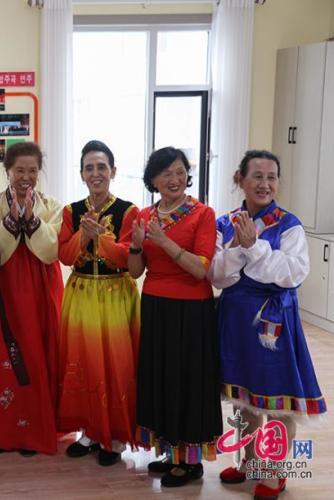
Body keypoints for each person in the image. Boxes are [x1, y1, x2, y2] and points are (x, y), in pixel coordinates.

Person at [208, 150, 326, 500]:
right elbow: (216, 275)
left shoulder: (289, 225)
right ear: (239, 179)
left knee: (276, 400)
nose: (264, 184)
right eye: (257, 176)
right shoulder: (225, 222)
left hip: (272, 324)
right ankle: (248, 462)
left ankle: (274, 474)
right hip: (234, 319)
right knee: (243, 397)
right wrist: (237, 248)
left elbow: (292, 274)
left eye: (271, 177)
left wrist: (254, 247)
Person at [127, 146, 221, 487]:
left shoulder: (203, 214)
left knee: (188, 381)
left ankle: (191, 461)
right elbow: (135, 271)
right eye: (166, 173)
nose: (175, 179)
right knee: (161, 378)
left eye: (180, 171)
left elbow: (200, 269)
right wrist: (136, 245)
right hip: (155, 305)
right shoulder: (144, 215)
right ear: (153, 179)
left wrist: (164, 241)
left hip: (191, 310)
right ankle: (170, 452)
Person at [0, 141, 63, 456]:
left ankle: (34, 431)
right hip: (3, 289)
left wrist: (32, 219)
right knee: (1, 355)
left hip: (38, 291)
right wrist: (10, 221)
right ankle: (2, 431)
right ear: (7, 171)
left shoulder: (51, 206)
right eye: (19, 170)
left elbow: (52, 251)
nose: (26, 177)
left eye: (32, 170)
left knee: (35, 355)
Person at [57, 140, 140, 466]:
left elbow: (128, 258)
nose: (96, 173)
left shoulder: (128, 211)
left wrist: (99, 238)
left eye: (101, 167)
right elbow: (64, 256)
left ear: (113, 171)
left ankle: (116, 437)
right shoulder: (71, 211)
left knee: (116, 366)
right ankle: (90, 431)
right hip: (80, 294)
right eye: (89, 168)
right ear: (81, 174)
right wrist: (83, 236)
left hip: (115, 294)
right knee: (82, 363)